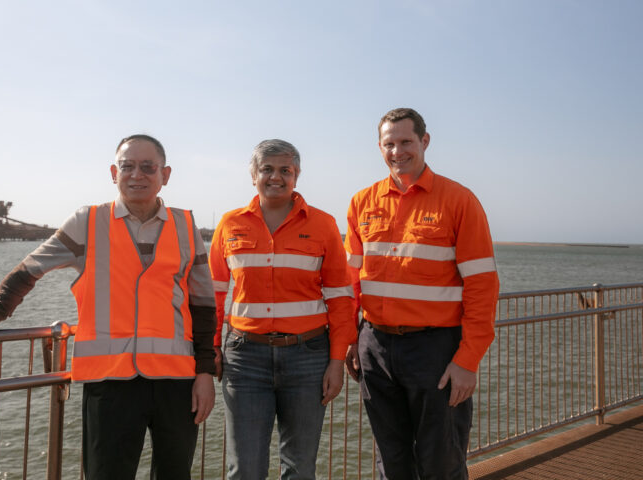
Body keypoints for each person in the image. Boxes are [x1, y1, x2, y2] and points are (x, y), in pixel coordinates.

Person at [0, 135, 217, 480]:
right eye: (127, 166)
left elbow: (204, 305)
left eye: (148, 167)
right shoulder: (87, 222)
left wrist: (205, 371)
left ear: (165, 174)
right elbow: (28, 271)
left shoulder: (186, 227)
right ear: (114, 172)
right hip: (109, 382)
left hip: (177, 381)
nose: (137, 175)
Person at [344, 108, 499, 480]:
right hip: (375, 347)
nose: (397, 151)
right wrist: (349, 340)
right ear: (379, 147)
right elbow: (349, 282)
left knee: (441, 462)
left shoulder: (459, 200)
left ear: (424, 142)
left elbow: (482, 286)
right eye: (389, 144)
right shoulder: (362, 202)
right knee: (391, 462)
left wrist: (467, 361)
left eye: (406, 142)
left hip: (436, 351)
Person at [209, 139, 357, 480]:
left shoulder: (322, 225)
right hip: (245, 360)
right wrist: (212, 348)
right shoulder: (231, 224)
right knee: (244, 468)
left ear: (297, 175)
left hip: (308, 358)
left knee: (300, 467)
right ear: (253, 175)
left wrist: (336, 361)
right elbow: (213, 295)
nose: (276, 177)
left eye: (285, 170)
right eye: (267, 169)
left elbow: (339, 298)